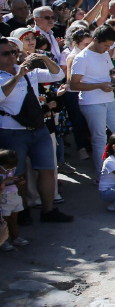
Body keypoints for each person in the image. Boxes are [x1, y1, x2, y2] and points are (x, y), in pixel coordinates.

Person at [0, 38, 69, 223]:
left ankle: (48, 211)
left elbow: (57, 75)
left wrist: (43, 59)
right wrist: (18, 75)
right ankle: (21, 212)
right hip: (12, 131)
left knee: (47, 169)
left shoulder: (30, 72)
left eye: (14, 52)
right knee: (18, 174)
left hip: (38, 129)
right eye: (6, 53)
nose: (12, 56)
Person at [69, 25, 115, 173]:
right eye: (106, 45)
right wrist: (99, 86)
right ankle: (101, 174)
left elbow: (107, 76)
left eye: (110, 45)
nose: (107, 48)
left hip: (109, 101)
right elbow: (74, 84)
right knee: (100, 140)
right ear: (95, 39)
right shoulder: (81, 58)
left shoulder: (104, 53)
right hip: (92, 103)